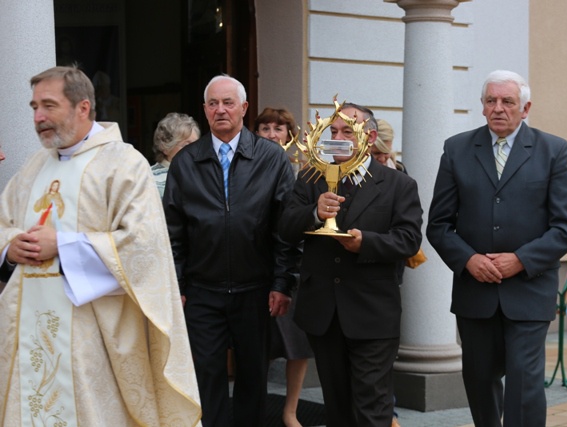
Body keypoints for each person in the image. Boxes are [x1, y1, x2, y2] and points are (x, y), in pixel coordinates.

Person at [0, 65, 201, 426]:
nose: (39, 117)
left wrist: (62, 245)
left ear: (83, 107)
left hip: (91, 334)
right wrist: (9, 247)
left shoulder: (123, 164)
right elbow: (4, 225)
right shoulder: (31, 168)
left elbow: (143, 246)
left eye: (48, 105)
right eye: (34, 107)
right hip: (29, 330)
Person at [426, 69, 567, 427]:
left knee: (524, 384)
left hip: (528, 289)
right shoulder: (456, 149)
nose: (499, 108)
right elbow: (438, 224)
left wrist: (520, 260)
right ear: (482, 107)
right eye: (491, 101)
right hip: (474, 290)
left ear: (525, 108)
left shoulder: (553, 151)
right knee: (479, 380)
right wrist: (468, 260)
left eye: (507, 101)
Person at [163, 75, 297, 427]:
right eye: (213, 103)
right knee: (206, 376)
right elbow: (173, 233)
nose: (220, 110)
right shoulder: (185, 163)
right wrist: (176, 286)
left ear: (244, 108)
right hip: (201, 292)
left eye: (228, 103)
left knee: (254, 377)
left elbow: (285, 229)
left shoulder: (272, 159)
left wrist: (283, 283)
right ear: (204, 110)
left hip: (256, 290)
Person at [279, 103, 423, 427]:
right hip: (323, 314)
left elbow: (409, 239)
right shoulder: (311, 177)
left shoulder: (398, 184)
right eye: (333, 131)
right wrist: (314, 213)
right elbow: (285, 227)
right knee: (337, 407)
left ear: (369, 136)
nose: (338, 137)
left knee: (372, 407)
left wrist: (366, 243)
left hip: (373, 315)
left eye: (347, 130)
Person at [254, 106, 313, 427]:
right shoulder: (245, 169)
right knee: (257, 344)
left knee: (296, 344)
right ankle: (256, 405)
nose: (272, 134)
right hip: (257, 270)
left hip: (293, 268)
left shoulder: (304, 175)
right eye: (265, 128)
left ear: (290, 137)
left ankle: (290, 411)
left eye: (279, 129)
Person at [151, 112, 201, 196]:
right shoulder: (153, 180)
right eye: (186, 145)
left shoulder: (202, 173)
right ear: (165, 147)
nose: (194, 151)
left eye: (196, 145)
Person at [254, 106, 307, 175]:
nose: (271, 135)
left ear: (289, 135)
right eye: (265, 129)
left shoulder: (303, 169)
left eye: (278, 129)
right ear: (257, 134)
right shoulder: (245, 166)